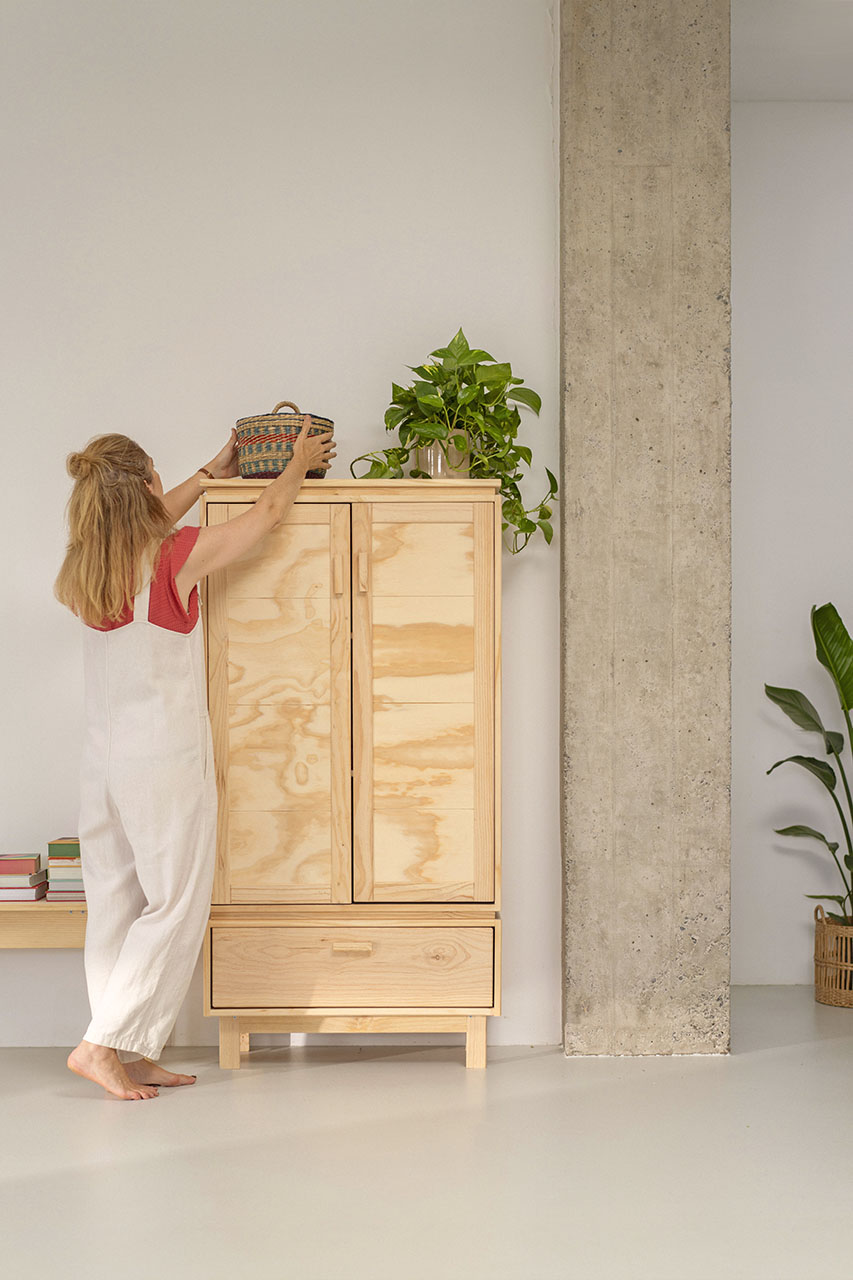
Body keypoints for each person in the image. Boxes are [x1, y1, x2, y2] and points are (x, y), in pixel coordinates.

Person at [54, 415, 335, 1100]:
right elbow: (267, 517)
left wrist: (212, 472)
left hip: (103, 765)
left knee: (114, 906)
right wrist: (296, 460)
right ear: (147, 485)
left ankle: (127, 1048)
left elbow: (146, 523)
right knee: (176, 901)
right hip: (161, 759)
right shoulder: (174, 555)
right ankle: (99, 1045)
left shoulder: (88, 565)